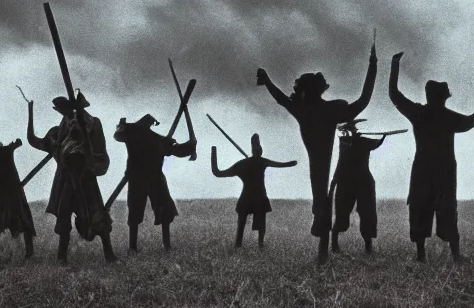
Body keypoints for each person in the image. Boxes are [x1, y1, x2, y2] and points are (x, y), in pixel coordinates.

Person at [256, 41, 377, 264]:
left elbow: (281, 99)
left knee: (322, 198)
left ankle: (323, 248)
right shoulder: (329, 110)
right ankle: (322, 247)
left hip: (319, 162)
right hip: (321, 161)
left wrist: (267, 82)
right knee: (322, 198)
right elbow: (363, 101)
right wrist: (373, 67)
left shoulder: (304, 109)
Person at [388, 52, 474, 263]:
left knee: (420, 209)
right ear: (443, 96)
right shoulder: (448, 118)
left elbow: (394, 94)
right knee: (448, 209)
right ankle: (456, 255)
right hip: (445, 169)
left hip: (422, 168)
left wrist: (394, 65)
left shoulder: (418, 113)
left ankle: (421, 255)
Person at [27, 92, 117, 264]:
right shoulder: (57, 134)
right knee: (64, 216)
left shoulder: (87, 123)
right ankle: (62, 257)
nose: (65, 112)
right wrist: (30, 111)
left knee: (97, 215)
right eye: (62, 109)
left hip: (86, 178)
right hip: (65, 180)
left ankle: (109, 254)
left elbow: (93, 143)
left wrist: (80, 125)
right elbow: (33, 140)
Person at [113, 114, 196, 253]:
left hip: (151, 178)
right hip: (142, 178)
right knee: (135, 212)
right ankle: (135, 247)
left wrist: (190, 146)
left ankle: (164, 246)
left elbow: (179, 151)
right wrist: (190, 145)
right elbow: (118, 135)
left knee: (163, 211)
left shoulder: (154, 140)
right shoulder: (153, 139)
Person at [211, 134, 297, 248]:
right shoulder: (260, 162)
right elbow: (217, 172)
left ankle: (244, 244)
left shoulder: (244, 164)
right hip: (258, 198)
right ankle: (251, 245)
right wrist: (291, 163)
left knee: (246, 223)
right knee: (254, 224)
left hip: (250, 198)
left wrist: (213, 152)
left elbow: (218, 172)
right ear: (257, 150)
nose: (259, 151)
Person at [329, 119, 389, 254]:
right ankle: (334, 243)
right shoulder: (344, 144)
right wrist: (334, 182)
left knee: (367, 215)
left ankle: (368, 247)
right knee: (342, 214)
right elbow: (340, 164)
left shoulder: (362, 141)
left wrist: (383, 137)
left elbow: (377, 144)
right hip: (346, 183)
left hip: (364, 183)